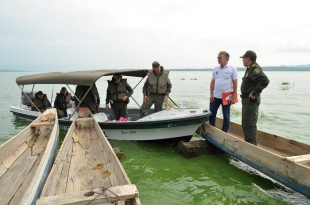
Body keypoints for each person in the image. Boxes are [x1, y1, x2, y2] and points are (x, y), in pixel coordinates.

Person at [240, 50, 269, 145]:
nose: (242, 60)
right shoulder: (249, 68)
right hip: (246, 101)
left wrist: (254, 93)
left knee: (249, 124)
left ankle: (252, 148)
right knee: (246, 124)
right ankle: (249, 145)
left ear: (248, 59)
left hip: (251, 101)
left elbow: (265, 80)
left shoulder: (254, 68)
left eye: (243, 58)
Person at [209, 51, 238, 132]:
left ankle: (224, 132)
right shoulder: (216, 69)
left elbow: (235, 83)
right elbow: (212, 82)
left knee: (226, 115)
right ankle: (212, 130)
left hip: (226, 97)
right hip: (215, 96)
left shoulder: (232, 68)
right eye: (218, 57)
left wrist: (233, 96)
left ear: (226, 58)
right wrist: (211, 94)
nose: (218, 59)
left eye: (220, 57)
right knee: (212, 114)